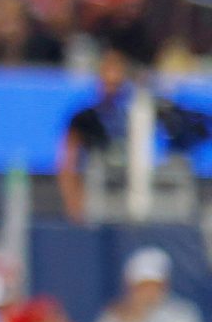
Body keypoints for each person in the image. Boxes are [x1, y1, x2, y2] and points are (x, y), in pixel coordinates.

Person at [57, 47, 212, 224]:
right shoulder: (85, 119)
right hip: (103, 198)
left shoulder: (150, 112)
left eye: (118, 81)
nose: (112, 85)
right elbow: (67, 161)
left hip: (154, 199)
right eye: (107, 79)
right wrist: (74, 203)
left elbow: (196, 126)